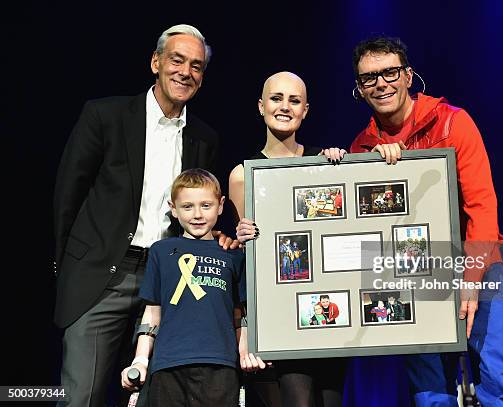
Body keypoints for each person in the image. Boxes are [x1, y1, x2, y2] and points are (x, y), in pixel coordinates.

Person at [53, 24, 236, 406]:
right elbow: (68, 194)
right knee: (79, 396)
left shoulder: (204, 138)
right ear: (156, 62)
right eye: (177, 60)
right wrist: (67, 265)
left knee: (160, 395)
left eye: (197, 66)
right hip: (104, 275)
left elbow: (198, 209)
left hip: (170, 279)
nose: (186, 72)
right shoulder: (106, 115)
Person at [351, 36, 503, 406]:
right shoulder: (363, 147)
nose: (381, 84)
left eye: (390, 72)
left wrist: (471, 279)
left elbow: (482, 207)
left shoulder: (452, 123)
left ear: (409, 76)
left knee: (501, 386)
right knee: (431, 396)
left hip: (476, 265)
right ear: (360, 88)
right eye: (369, 78)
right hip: (413, 279)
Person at [229, 71, 346, 407]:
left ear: (305, 110)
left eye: (294, 100)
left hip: (326, 315)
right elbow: (244, 256)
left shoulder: (325, 161)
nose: (285, 106)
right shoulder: (243, 174)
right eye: (276, 98)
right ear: (261, 106)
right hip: (278, 316)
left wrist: (342, 167)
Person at [120, 169, 258, 407]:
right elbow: (153, 313)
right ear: (173, 208)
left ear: (221, 205)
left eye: (206, 205)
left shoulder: (232, 254)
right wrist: (140, 360)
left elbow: (239, 314)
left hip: (220, 364)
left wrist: (244, 352)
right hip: (168, 364)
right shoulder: (161, 251)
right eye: (187, 207)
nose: (197, 215)